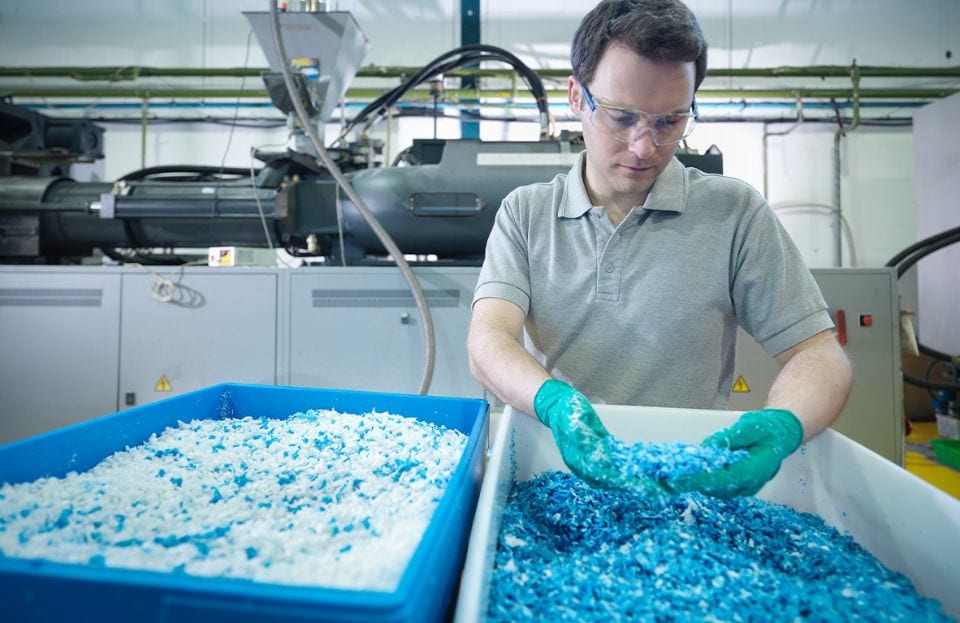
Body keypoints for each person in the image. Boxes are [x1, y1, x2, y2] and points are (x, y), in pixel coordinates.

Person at [466, 0, 852, 498]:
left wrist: (784, 425)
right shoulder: (526, 213)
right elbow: (489, 340)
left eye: (669, 122)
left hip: (689, 483)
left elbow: (819, 353)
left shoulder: (734, 213)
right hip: (553, 473)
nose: (644, 147)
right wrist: (556, 405)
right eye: (622, 117)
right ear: (576, 97)